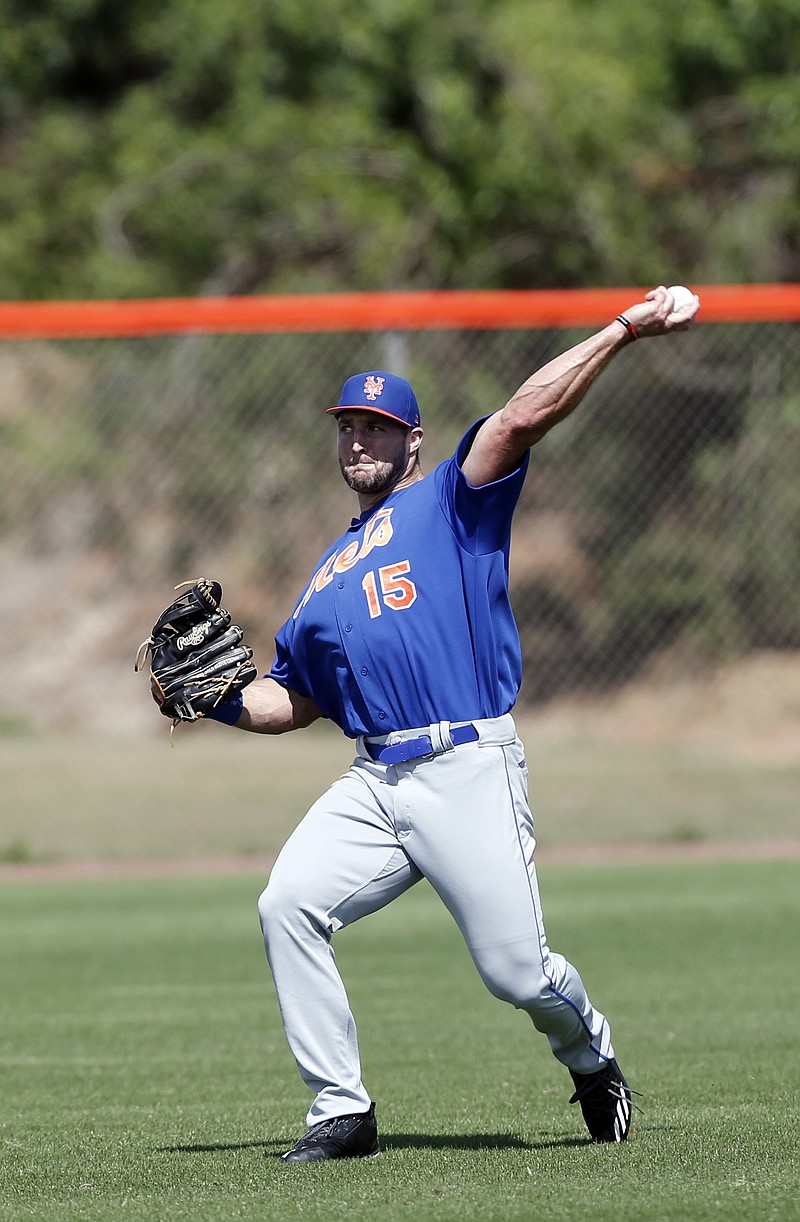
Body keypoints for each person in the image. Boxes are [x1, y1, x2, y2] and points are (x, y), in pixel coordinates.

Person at [206, 285, 699, 1162]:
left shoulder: (449, 503)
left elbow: (518, 418)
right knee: (287, 904)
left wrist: (623, 330)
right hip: (375, 781)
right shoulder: (324, 579)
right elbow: (295, 699)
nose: (360, 439)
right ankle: (342, 1111)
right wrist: (215, 700)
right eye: (348, 427)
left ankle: (590, 1052)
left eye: (378, 426)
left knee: (516, 973)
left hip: (467, 764)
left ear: (412, 439)